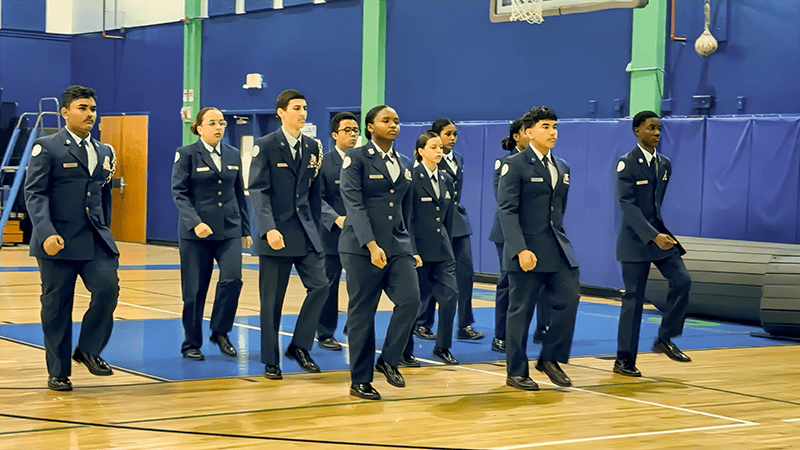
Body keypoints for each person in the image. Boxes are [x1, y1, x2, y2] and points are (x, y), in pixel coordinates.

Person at [24, 85, 119, 391]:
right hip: (57, 242)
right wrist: (46, 232)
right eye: (82, 108)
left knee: (108, 289)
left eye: (92, 108)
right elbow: (34, 194)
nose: (89, 114)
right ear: (65, 112)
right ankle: (58, 371)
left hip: (94, 240)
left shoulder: (104, 151)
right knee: (57, 307)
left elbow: (104, 197)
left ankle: (89, 350)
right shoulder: (47, 147)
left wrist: (106, 231)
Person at [339, 105, 420, 401]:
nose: (393, 125)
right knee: (363, 313)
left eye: (397, 121)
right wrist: (371, 244)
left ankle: (388, 359)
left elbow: (406, 209)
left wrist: (412, 247)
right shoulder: (356, 158)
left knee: (411, 301)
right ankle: (360, 380)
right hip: (361, 248)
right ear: (370, 127)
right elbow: (353, 204)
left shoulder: (404, 161)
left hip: (398, 246)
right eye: (386, 121)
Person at [498, 106, 580, 390]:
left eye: (554, 126)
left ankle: (549, 358)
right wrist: (520, 249)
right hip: (526, 251)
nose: (552, 132)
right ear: (529, 132)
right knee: (521, 311)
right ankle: (516, 371)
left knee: (570, 299)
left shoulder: (563, 166)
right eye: (545, 126)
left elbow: (558, 211)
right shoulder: (516, 165)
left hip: (557, 247)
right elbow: (507, 211)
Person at [248, 89, 327, 380]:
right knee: (272, 301)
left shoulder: (314, 148)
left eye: (305, 107)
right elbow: (258, 190)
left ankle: (300, 346)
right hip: (276, 234)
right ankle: (271, 359)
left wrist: (317, 230)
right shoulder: (265, 145)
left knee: (321, 287)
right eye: (296, 108)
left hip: (305, 233)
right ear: (281, 112)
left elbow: (315, 194)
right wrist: (268, 228)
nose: (302, 113)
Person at [613, 110, 692, 377]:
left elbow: (655, 207)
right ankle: (624, 360)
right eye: (651, 128)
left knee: (682, 280)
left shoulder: (665, 164)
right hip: (635, 240)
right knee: (633, 301)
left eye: (659, 129)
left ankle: (665, 337)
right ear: (637, 130)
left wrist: (661, 234)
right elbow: (628, 205)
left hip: (660, 237)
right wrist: (651, 234)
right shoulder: (626, 163)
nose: (657, 133)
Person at [171, 107, 252, 361]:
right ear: (200, 127)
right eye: (212, 123)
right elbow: (179, 193)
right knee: (194, 290)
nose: (218, 127)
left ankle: (220, 331)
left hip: (228, 229)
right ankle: (191, 342)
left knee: (233, 279)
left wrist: (246, 229)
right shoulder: (186, 154)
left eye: (222, 123)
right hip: (196, 235)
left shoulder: (233, 154)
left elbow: (239, 192)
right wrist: (195, 222)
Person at [414, 119, 484, 342]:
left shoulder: (458, 159)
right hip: (435, 226)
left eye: (454, 134)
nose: (452, 138)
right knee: (431, 276)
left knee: (465, 275)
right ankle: (423, 322)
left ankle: (464, 324)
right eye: (447, 134)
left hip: (458, 223)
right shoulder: (426, 164)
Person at [489, 119, 550, 353]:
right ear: (518, 136)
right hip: (508, 233)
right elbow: (504, 201)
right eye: (527, 131)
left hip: (537, 233)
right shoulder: (505, 163)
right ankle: (501, 335)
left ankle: (542, 328)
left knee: (544, 278)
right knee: (508, 281)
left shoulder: (546, 163)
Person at [404, 131, 459, 365]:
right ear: (420, 151)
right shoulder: (411, 178)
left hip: (442, 250)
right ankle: (404, 350)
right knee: (412, 302)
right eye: (433, 147)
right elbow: (407, 218)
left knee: (450, 296)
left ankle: (442, 347)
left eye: (440, 147)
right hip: (418, 252)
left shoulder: (446, 179)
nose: (439, 151)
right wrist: (412, 249)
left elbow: (447, 218)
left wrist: (449, 243)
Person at [315, 111, 360, 351]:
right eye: (347, 131)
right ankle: (325, 333)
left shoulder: (362, 161)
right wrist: (335, 218)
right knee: (328, 286)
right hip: (332, 235)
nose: (352, 135)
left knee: (360, 285)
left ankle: (354, 326)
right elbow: (317, 199)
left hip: (359, 237)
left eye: (355, 131)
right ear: (335, 135)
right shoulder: (324, 163)